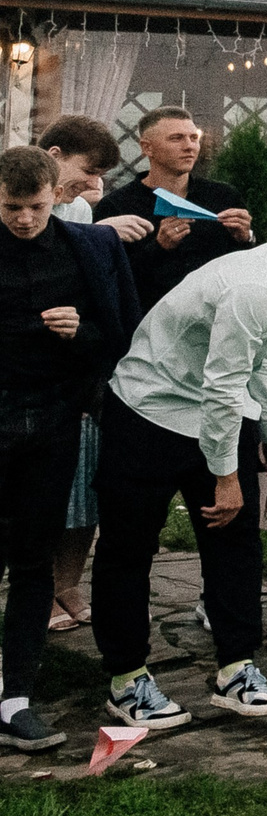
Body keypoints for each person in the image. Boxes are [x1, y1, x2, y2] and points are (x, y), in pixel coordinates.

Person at [94, 180, 267, 729]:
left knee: (236, 543)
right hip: (148, 410)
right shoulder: (256, 285)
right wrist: (226, 477)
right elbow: (223, 385)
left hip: (216, 411)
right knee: (129, 548)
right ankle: (127, 678)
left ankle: (237, 668)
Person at [1, 146, 140, 753]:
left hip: (55, 421)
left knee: (34, 561)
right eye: (11, 208)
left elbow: (124, 334)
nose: (25, 219)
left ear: (57, 195)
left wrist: (81, 331)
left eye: (35, 206)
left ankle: (16, 698)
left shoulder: (93, 248)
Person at [34, 115, 141, 639]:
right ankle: (34, 589)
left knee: (86, 486)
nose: (93, 185)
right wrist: (96, 234)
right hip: (30, 370)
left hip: (84, 364)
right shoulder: (23, 205)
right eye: (88, 170)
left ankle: (66, 583)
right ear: (53, 155)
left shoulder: (77, 207)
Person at [95, 107, 257, 312]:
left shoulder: (223, 196)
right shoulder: (117, 206)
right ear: (147, 148)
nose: (189, 146)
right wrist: (159, 247)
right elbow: (108, 280)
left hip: (214, 319)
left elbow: (244, 269)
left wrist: (246, 238)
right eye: (176, 138)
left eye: (193, 138)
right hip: (148, 320)